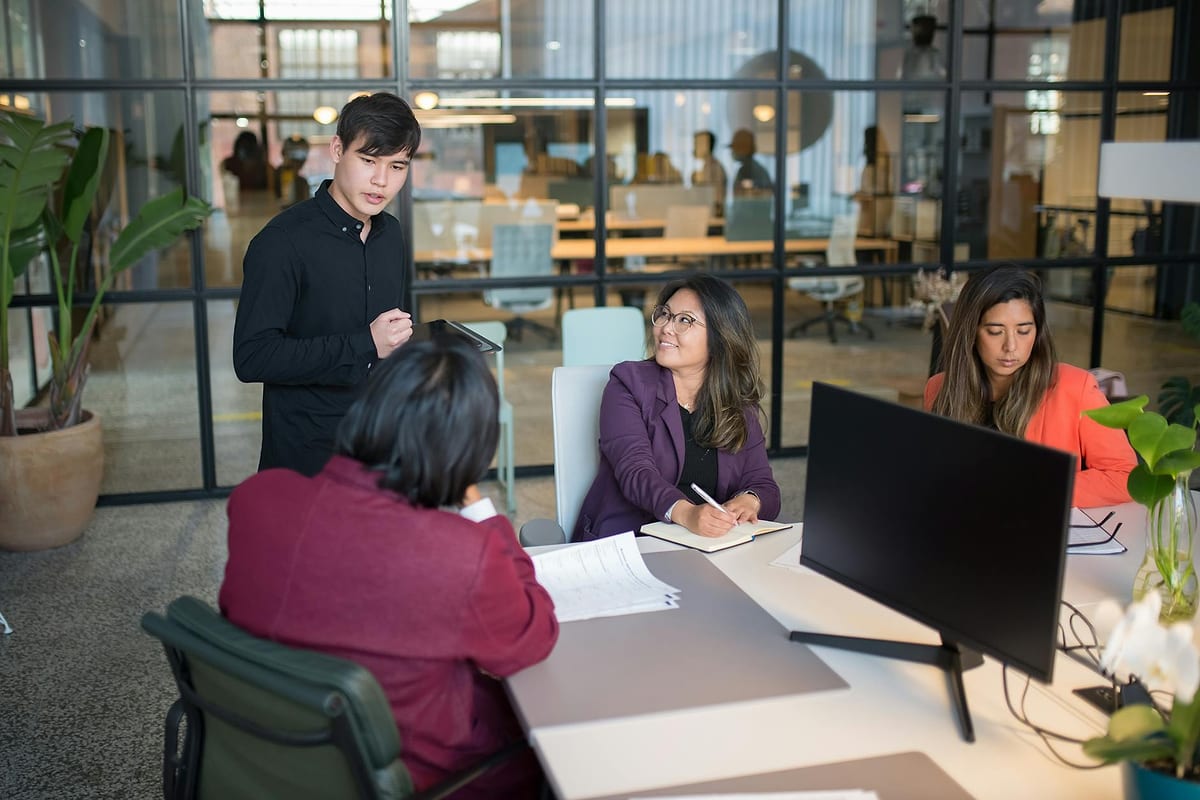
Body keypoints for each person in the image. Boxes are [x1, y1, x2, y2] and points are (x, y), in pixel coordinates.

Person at [220, 335, 558, 799]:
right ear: (467, 451)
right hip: (419, 774)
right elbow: (531, 639)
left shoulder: (257, 499)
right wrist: (479, 507)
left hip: (272, 753)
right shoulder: (460, 553)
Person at [233, 92, 420, 476]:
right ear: (337, 149)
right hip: (308, 456)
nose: (381, 180)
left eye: (397, 166)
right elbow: (252, 357)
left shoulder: (391, 235)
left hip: (382, 444)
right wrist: (365, 343)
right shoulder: (281, 242)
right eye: (368, 160)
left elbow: (385, 338)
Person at [572, 274, 781, 541]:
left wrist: (751, 500)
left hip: (706, 544)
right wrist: (687, 514)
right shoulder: (628, 383)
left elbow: (763, 483)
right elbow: (636, 472)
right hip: (632, 540)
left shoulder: (735, 400)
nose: (666, 328)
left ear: (720, 337)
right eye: (665, 314)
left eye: (684, 320)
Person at [924, 265, 1135, 508]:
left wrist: (1035, 489)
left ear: (1037, 331)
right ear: (970, 332)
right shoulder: (939, 388)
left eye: (1024, 331)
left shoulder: (1075, 387)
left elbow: (1124, 475)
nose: (1011, 346)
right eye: (995, 332)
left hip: (1034, 521)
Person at [691, 130, 728, 217]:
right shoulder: (706, 167)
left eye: (696, 144)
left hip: (711, 215)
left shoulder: (714, 167)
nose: (694, 148)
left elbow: (717, 198)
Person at [729, 127, 774, 197]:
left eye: (734, 148)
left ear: (742, 148)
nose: (732, 152)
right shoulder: (748, 169)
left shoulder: (750, 170)